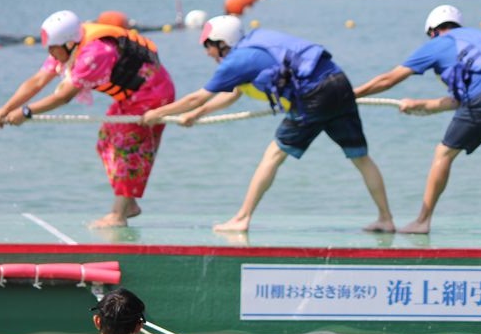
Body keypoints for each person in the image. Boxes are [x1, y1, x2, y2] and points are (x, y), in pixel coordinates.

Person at [141, 15, 395, 233]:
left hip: (313, 95)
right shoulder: (256, 42)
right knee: (360, 158)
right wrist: (198, 114)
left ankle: (242, 219)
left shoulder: (237, 60)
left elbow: (196, 97)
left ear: (222, 42)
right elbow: (233, 93)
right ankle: (386, 219)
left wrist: (156, 113)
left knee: (273, 155)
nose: (207, 52)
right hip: (339, 82)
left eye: (208, 46)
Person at [355, 4, 481, 236]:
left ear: (433, 30)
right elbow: (468, 98)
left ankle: (422, 221)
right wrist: (420, 105)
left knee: (443, 154)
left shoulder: (438, 44)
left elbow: (388, 79)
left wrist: (351, 95)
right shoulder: (479, 38)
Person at [0, 10, 175, 228]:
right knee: (106, 141)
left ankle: (118, 215)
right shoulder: (68, 45)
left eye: (53, 48)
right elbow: (38, 80)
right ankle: (129, 204)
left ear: (69, 43)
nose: (50, 53)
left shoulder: (96, 53)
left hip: (153, 95)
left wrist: (26, 112)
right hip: (130, 97)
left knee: (127, 146)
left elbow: (64, 96)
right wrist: (6, 108)